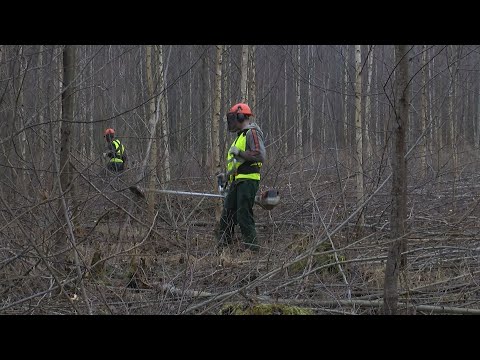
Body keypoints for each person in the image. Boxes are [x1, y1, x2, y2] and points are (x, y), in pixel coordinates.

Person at [216, 103, 265, 252]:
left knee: (244, 215)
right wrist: (227, 176)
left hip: (248, 180)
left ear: (241, 116)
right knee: (227, 215)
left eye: (233, 118)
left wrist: (239, 152)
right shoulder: (240, 137)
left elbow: (260, 155)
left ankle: (253, 250)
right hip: (238, 180)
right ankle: (223, 249)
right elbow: (238, 163)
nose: (231, 122)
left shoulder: (252, 133)